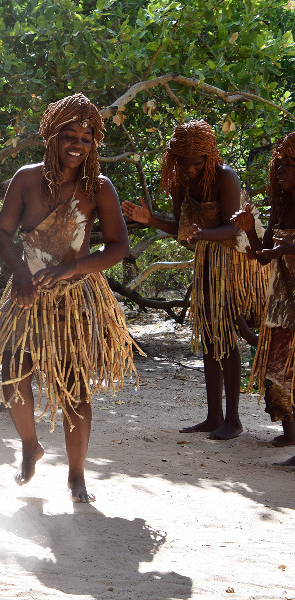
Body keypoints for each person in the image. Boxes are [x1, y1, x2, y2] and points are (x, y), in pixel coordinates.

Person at [0, 93, 138, 502]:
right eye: (70, 135)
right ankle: (30, 445)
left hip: (74, 298)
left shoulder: (98, 187)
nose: (77, 145)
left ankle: (77, 475)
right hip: (26, 296)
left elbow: (118, 247)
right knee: (13, 375)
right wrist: (20, 274)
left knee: (74, 387)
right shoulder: (27, 179)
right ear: (52, 137)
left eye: (86, 138)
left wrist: (69, 269)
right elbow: (2, 233)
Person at [122, 120, 247, 440]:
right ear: (173, 159)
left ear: (210, 157)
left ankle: (233, 420)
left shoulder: (225, 178)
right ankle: (213, 416)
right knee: (209, 335)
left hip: (232, 261)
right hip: (206, 262)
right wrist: (150, 220)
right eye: (183, 162)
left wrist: (202, 234)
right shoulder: (179, 182)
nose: (190, 168)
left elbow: (235, 229)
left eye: (197, 162)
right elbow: (183, 233)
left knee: (226, 336)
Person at [231, 132, 295, 453]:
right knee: (280, 365)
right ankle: (290, 431)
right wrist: (247, 231)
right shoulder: (280, 210)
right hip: (282, 301)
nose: (280, 170)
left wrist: (289, 247)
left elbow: (282, 249)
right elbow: (262, 254)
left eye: (288, 164)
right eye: (278, 165)